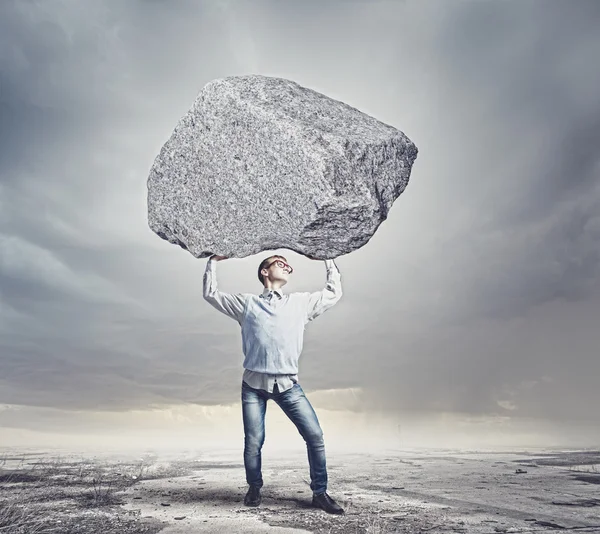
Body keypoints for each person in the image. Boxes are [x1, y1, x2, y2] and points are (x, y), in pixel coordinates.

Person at [203, 252, 344, 514]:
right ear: (264, 272)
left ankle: (320, 493)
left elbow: (333, 292)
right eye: (280, 263)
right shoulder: (247, 304)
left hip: (289, 386)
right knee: (254, 441)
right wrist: (212, 261)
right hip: (253, 387)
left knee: (315, 436)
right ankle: (254, 487)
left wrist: (328, 258)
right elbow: (211, 293)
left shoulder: (300, 304)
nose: (287, 266)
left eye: (288, 265)